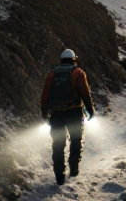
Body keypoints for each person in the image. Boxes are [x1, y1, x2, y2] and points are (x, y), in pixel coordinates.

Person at [40, 49, 96, 185]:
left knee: (58, 144)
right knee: (76, 140)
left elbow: (45, 95)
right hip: (74, 113)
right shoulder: (78, 73)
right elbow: (85, 93)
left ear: (61, 60)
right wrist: (90, 110)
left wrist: (44, 113)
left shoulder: (52, 74)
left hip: (56, 114)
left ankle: (59, 175)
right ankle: (74, 168)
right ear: (73, 60)